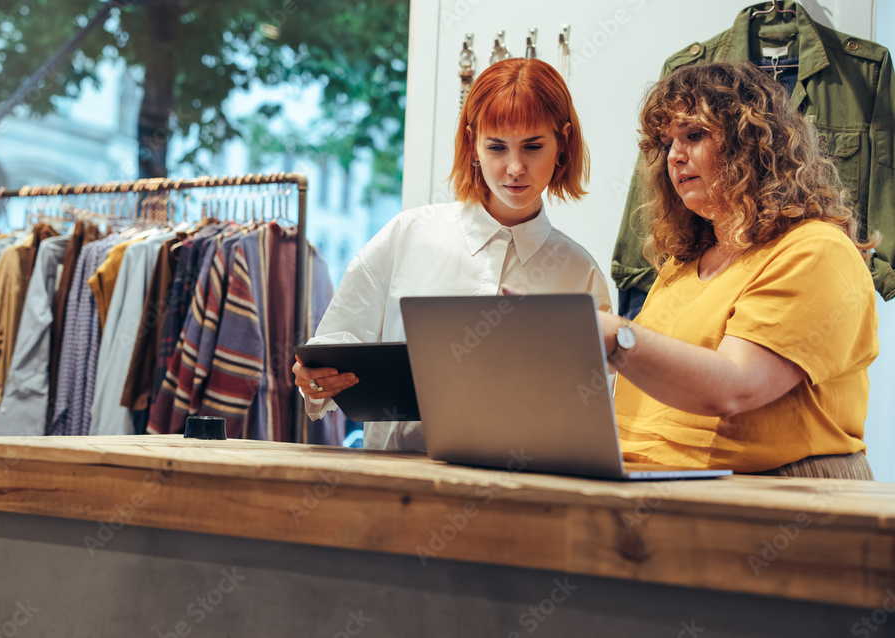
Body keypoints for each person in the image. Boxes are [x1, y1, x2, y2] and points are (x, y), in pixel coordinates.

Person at [293, 57, 612, 451]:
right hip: (393, 485)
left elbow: (593, 413)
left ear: (562, 141)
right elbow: (333, 349)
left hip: (521, 491)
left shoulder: (581, 275)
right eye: (497, 146)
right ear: (473, 143)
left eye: (533, 146)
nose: (515, 167)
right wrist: (316, 380)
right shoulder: (406, 235)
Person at [601, 61, 879, 479]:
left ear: (751, 142)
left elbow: (735, 385)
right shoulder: (682, 262)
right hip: (658, 486)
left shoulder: (815, 249)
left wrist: (611, 335)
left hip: (771, 494)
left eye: (694, 135)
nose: (674, 156)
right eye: (667, 143)